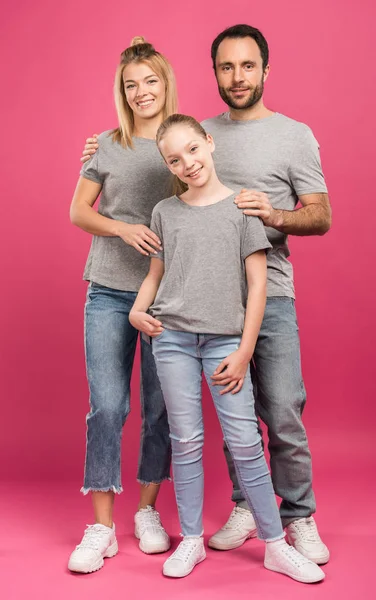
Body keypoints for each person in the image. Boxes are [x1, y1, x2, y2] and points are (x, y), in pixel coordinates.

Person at [80, 24, 332, 565]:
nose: (236, 76)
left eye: (246, 66)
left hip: (250, 300)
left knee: (277, 409)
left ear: (265, 69)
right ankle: (228, 511)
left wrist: (272, 215)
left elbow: (317, 217)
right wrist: (100, 152)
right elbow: (150, 155)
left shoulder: (285, 138)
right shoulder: (172, 139)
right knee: (158, 417)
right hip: (179, 306)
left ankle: (293, 521)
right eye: (225, 66)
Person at [128, 113, 325, 583]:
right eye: (174, 159)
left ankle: (276, 544)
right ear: (168, 166)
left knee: (244, 442)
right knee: (187, 440)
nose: (187, 163)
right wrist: (138, 311)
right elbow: (155, 276)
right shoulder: (164, 212)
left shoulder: (242, 207)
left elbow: (258, 286)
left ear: (209, 143)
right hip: (172, 341)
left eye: (192, 150)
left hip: (225, 340)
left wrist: (243, 350)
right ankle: (192, 539)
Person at [67, 37, 179, 574]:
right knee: (108, 406)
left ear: (165, 83)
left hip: (167, 296)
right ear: (122, 91)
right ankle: (102, 528)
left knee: (161, 408)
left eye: (150, 81)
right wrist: (122, 228)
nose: (141, 92)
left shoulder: (185, 140)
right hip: (109, 291)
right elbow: (78, 212)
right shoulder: (106, 146)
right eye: (130, 85)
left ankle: (147, 512)